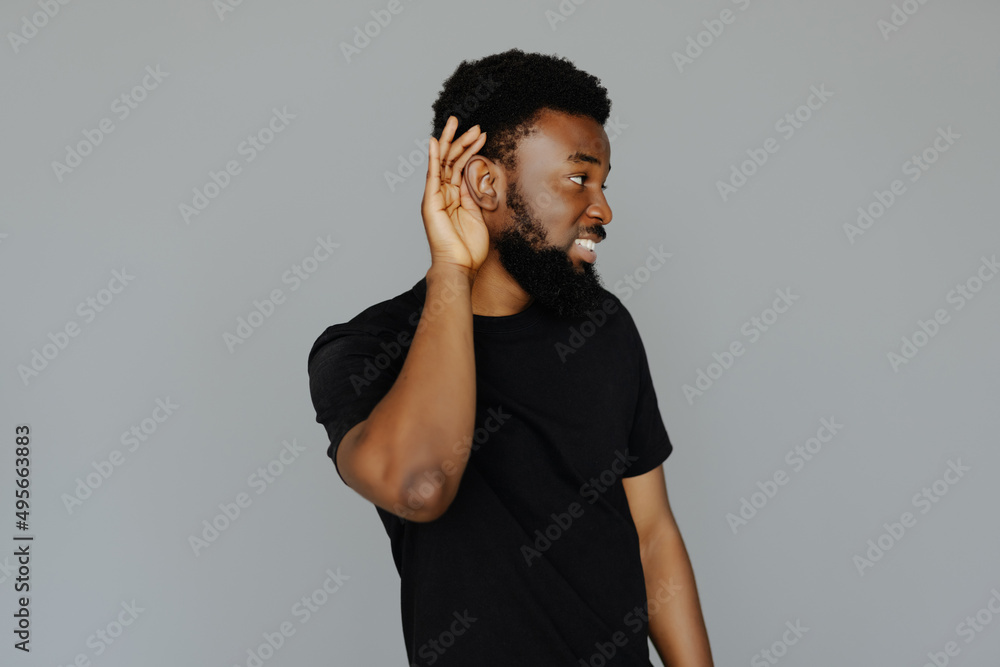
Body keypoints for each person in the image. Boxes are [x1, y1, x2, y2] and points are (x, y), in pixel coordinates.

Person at [307, 48, 713, 666]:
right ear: (487, 183)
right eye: (579, 178)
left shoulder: (603, 329)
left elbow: (652, 532)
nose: (603, 209)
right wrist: (451, 267)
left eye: (604, 183)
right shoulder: (366, 348)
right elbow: (419, 487)